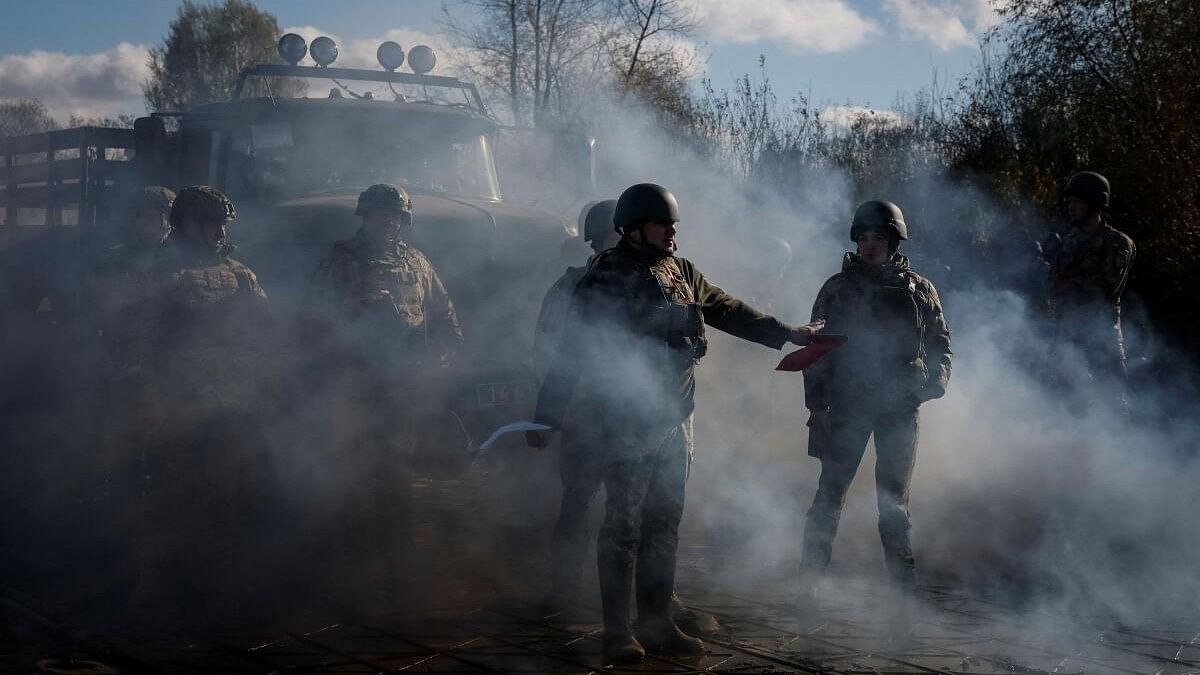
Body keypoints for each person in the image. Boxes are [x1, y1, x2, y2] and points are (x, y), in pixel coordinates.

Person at [528, 183, 822, 662]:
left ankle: (658, 620)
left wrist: (785, 333)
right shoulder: (604, 277)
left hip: (675, 415)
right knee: (623, 525)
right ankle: (617, 632)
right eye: (663, 224)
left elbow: (724, 308)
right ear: (634, 227)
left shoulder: (680, 270)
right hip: (623, 419)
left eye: (673, 224)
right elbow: (572, 351)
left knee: (665, 521)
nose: (672, 232)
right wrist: (546, 415)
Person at [305, 183, 463, 598]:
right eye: (380, 215)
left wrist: (445, 356)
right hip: (355, 384)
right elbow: (313, 321)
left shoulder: (416, 260)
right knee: (355, 475)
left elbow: (443, 314)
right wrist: (358, 314)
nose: (388, 222)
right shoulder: (342, 261)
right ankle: (352, 565)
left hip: (405, 383)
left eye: (395, 216)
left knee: (400, 474)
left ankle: (397, 563)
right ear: (365, 217)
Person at [127, 185, 273, 607]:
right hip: (178, 406)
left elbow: (266, 333)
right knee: (167, 495)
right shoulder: (156, 273)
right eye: (212, 224)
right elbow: (135, 341)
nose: (219, 232)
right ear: (186, 225)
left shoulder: (241, 273)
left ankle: (218, 579)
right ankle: (156, 581)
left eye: (223, 224)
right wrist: (147, 398)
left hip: (232, 405)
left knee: (229, 493)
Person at [800, 200, 951, 591]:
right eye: (863, 237)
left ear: (893, 241)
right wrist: (817, 406)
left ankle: (903, 587)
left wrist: (934, 384)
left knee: (893, 503)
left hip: (900, 406)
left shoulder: (919, 289)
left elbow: (939, 342)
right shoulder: (837, 288)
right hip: (848, 404)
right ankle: (810, 581)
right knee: (830, 494)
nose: (869, 245)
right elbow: (817, 349)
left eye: (877, 237)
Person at [1046, 171, 1136, 388]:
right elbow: (1052, 283)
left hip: (1101, 338)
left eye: (1077, 201)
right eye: (1069, 201)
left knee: (1113, 399)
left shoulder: (1117, 243)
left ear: (1095, 203)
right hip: (1066, 335)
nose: (1071, 206)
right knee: (1057, 400)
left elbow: (1108, 288)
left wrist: (1071, 283)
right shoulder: (1067, 240)